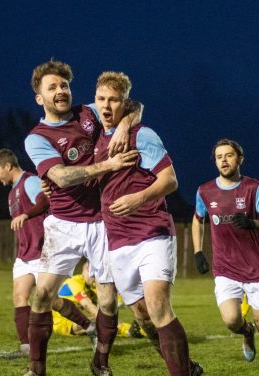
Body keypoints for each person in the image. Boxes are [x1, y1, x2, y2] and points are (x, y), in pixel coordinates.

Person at [23, 60, 141, 376]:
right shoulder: (37, 137)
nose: (60, 91)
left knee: (108, 301)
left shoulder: (87, 113)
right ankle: (37, 369)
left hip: (102, 221)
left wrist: (127, 124)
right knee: (43, 295)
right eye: (52, 87)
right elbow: (60, 177)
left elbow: (134, 105)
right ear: (39, 98)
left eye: (64, 85)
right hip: (63, 224)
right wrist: (109, 165)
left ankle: (100, 362)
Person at [93, 71, 203, 376]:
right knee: (142, 317)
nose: (106, 105)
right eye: (101, 98)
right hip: (117, 242)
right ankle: (185, 367)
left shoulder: (142, 135)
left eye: (114, 100)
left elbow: (170, 180)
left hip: (152, 233)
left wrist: (138, 199)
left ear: (125, 103)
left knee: (157, 305)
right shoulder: (93, 138)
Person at [0, 148, 97, 356]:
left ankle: (90, 327)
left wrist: (26, 215)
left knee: (52, 301)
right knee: (19, 296)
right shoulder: (11, 193)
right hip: (24, 253)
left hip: (43, 251)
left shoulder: (29, 181)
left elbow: (46, 200)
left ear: (8, 166)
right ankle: (26, 347)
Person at [191, 139, 259, 376]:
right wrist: (198, 251)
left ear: (239, 159)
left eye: (229, 156)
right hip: (225, 268)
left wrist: (252, 223)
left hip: (256, 266)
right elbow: (198, 219)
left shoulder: (253, 188)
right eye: (219, 157)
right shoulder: (205, 191)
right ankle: (245, 332)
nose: (224, 160)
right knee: (231, 320)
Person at [53, 262, 146, 339]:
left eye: (95, 274)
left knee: (103, 320)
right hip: (61, 322)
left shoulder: (91, 286)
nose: (93, 277)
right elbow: (87, 305)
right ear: (84, 271)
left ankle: (138, 330)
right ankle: (127, 331)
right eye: (91, 274)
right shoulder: (74, 282)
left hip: (77, 320)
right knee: (99, 322)